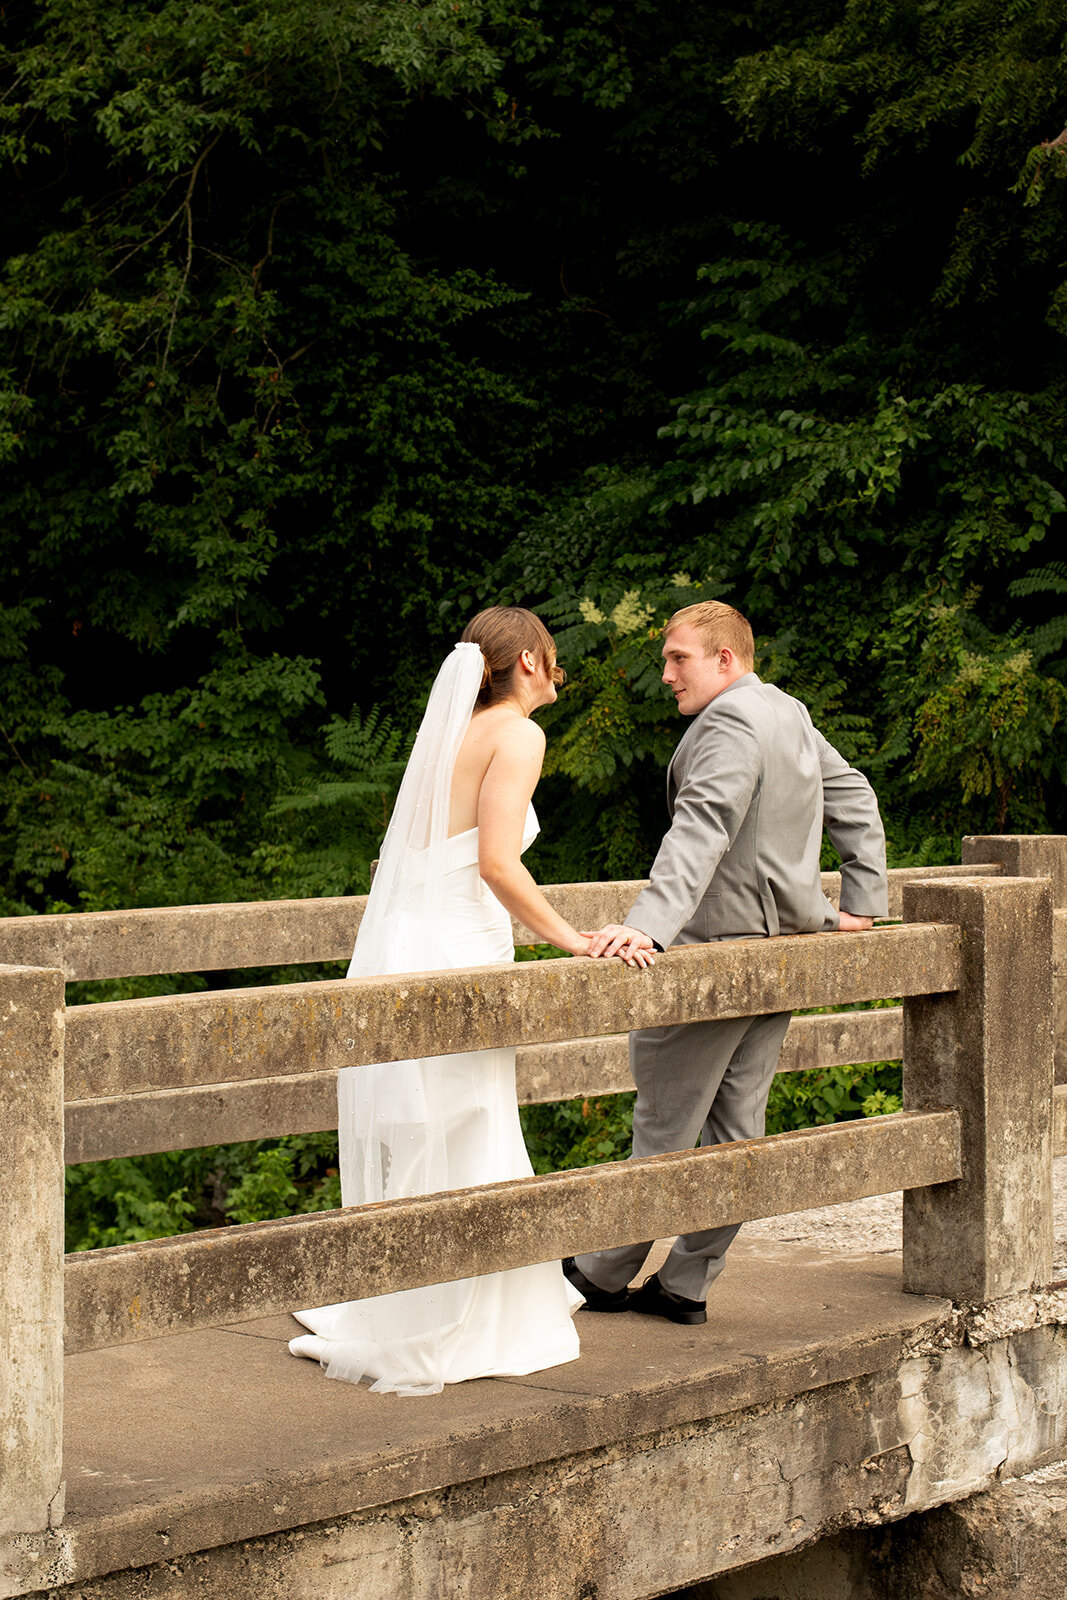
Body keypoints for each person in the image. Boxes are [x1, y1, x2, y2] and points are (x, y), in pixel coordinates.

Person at [289, 606, 652, 1396]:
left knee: (446, 1125)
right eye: (550, 655)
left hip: (420, 943)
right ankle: (455, 1317)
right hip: (456, 952)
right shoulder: (517, 734)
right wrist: (573, 938)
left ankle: (424, 1295)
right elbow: (494, 862)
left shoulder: (454, 733)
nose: (558, 668)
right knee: (470, 1122)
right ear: (525, 659)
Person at [567, 600, 888, 1326]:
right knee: (736, 1128)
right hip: (774, 955)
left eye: (678, 658)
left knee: (664, 1127)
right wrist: (862, 898)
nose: (664, 674)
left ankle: (602, 1272)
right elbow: (855, 798)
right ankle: (686, 1282)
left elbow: (701, 828)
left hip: (710, 956)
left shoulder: (730, 722)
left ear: (725, 659)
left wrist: (645, 927)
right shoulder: (787, 713)